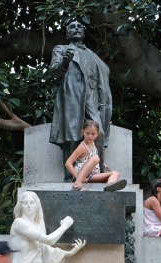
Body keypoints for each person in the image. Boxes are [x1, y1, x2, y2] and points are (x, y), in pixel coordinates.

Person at [48, 20, 112, 181]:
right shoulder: (61, 49)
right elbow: (53, 71)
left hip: (92, 96)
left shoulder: (92, 55)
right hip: (72, 94)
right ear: (67, 33)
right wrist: (64, 62)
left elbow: (102, 73)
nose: (76, 29)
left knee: (100, 132)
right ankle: (70, 177)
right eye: (71, 27)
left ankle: (97, 174)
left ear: (84, 33)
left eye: (79, 27)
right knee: (72, 135)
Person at [65, 120, 127, 192]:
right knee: (96, 158)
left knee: (115, 173)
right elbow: (68, 163)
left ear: (97, 134)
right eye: (87, 133)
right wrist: (77, 177)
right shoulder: (82, 147)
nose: (90, 136)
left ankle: (110, 185)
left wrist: (102, 164)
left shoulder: (94, 145)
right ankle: (77, 184)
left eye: (93, 134)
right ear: (82, 132)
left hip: (92, 175)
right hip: (81, 174)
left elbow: (90, 159)